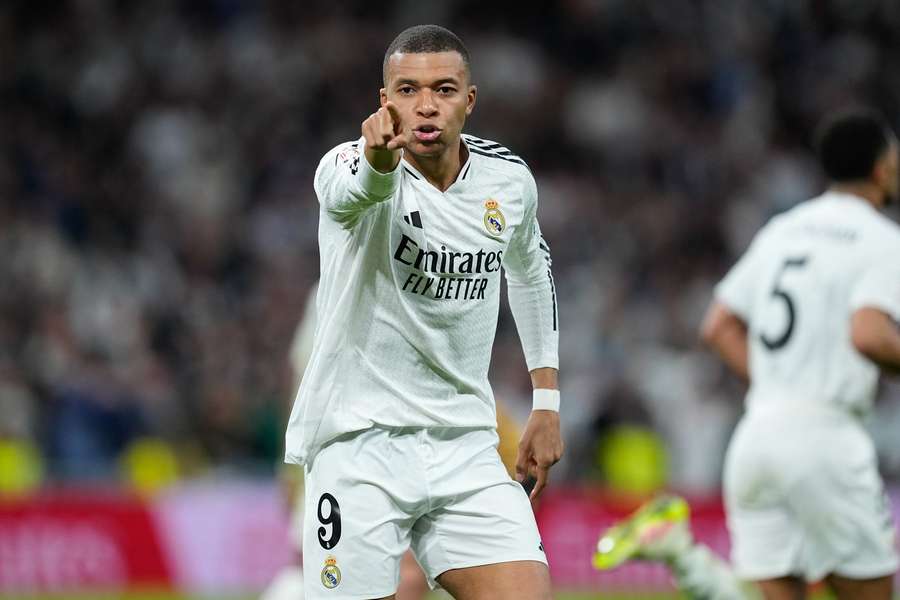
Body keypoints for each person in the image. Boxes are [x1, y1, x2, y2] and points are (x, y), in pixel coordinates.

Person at [283, 25, 562, 600]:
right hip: (359, 443)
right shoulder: (346, 166)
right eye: (407, 90)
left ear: (470, 99)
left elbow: (531, 272)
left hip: (464, 442)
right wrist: (379, 163)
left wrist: (546, 400)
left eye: (443, 89)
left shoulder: (508, 182)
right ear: (384, 101)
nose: (426, 105)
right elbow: (350, 193)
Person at [593, 108, 900, 600]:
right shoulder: (884, 240)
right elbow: (869, 333)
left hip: (758, 436)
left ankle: (683, 555)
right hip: (826, 438)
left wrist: (778, 389)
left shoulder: (785, 228)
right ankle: (680, 552)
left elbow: (718, 325)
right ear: (883, 168)